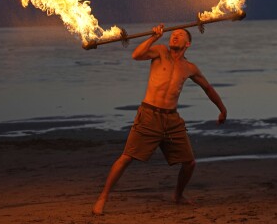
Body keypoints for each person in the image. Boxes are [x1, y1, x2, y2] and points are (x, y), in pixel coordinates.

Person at [92, 24, 227, 215]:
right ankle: (103, 197)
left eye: (180, 35)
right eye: (173, 34)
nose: (174, 36)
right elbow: (136, 55)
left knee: (190, 163)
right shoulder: (160, 52)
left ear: (187, 43)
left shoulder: (189, 68)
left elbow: (208, 88)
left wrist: (222, 110)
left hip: (171, 120)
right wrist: (153, 37)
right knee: (127, 157)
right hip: (149, 115)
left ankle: (178, 195)